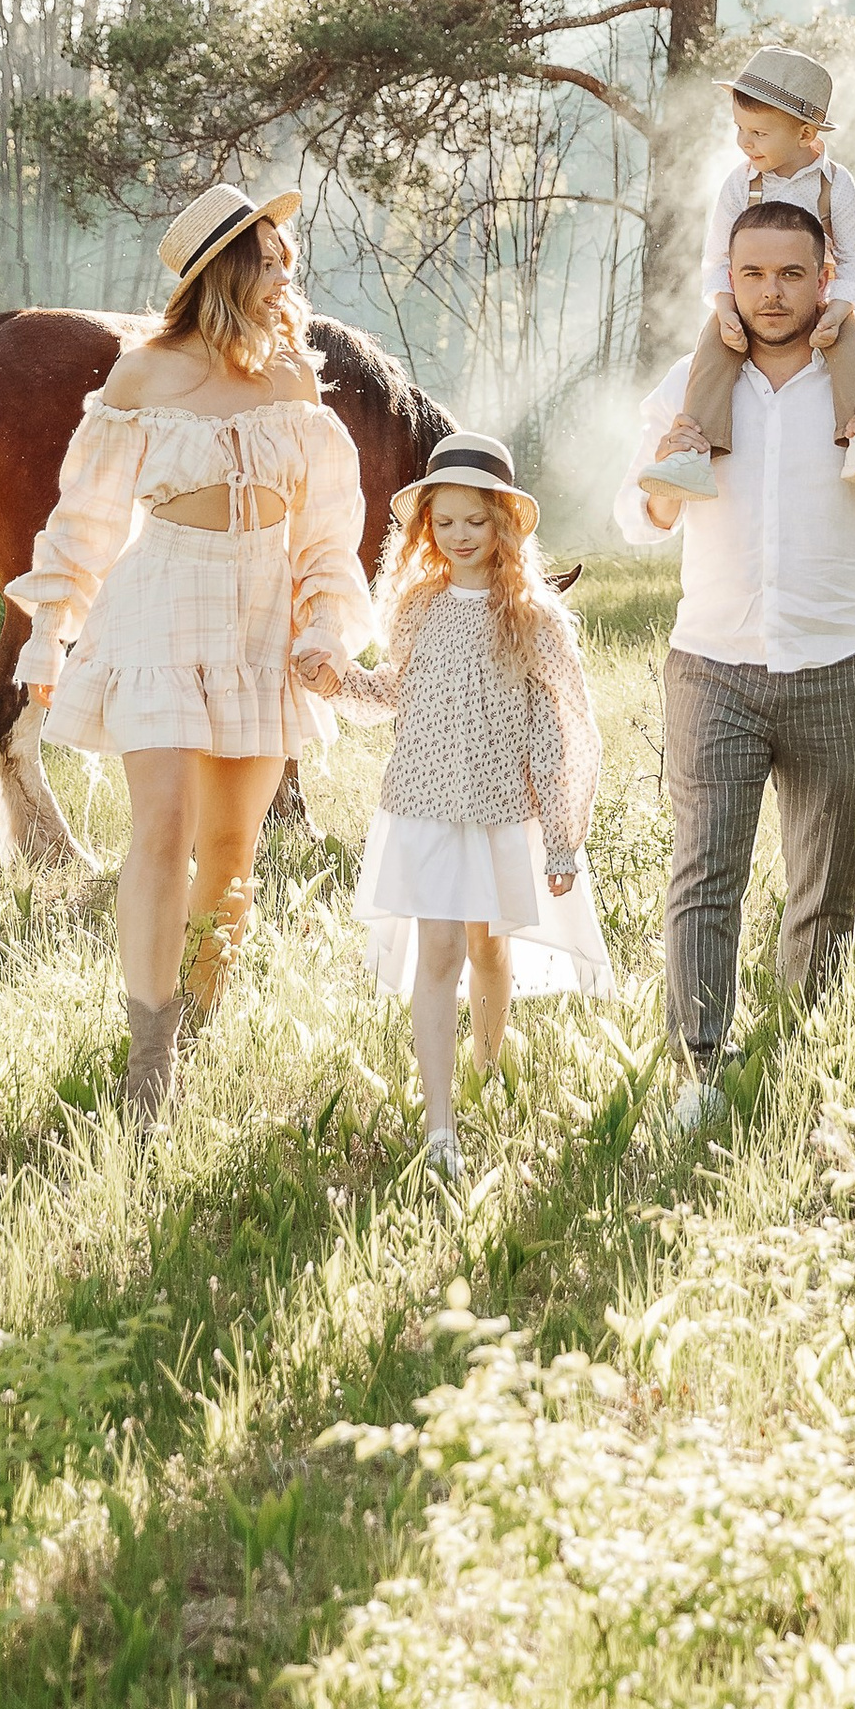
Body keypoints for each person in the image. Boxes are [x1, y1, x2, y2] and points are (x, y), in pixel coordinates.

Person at [15, 181, 374, 1121]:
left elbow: (330, 533)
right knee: (163, 830)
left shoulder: (295, 378)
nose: (288, 269)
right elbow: (85, 524)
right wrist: (49, 638)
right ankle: (151, 1060)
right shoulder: (141, 380)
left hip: (260, 625)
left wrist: (326, 627)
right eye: (271, 251)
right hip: (161, 611)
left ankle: (204, 1017)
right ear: (225, 267)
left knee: (229, 851)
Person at [616, 195, 855, 1132]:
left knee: (826, 876)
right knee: (705, 872)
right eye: (752, 274)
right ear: (726, 281)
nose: (771, 294)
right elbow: (635, 519)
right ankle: (700, 1070)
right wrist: (662, 475)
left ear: (826, 279)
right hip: (714, 663)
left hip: (838, 661)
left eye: (790, 273)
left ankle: (804, 1052)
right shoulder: (692, 382)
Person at [342, 432, 609, 1185]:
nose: (460, 536)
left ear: (505, 526)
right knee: (441, 955)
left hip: (499, 810)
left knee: (492, 948)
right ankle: (440, 1127)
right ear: (427, 526)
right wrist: (336, 682)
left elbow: (565, 730)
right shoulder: (419, 608)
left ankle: (489, 1075)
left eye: (475, 521)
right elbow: (393, 693)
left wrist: (562, 838)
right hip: (426, 806)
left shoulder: (532, 618)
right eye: (446, 521)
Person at [638, 44, 855, 502]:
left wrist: (837, 309)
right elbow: (717, 259)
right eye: (739, 129)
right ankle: (693, 451)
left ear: (805, 132)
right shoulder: (740, 183)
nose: (744, 143)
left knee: (853, 345)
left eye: (758, 132)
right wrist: (725, 306)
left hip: (816, 301)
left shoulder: (835, 187)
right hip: (751, 301)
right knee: (714, 347)